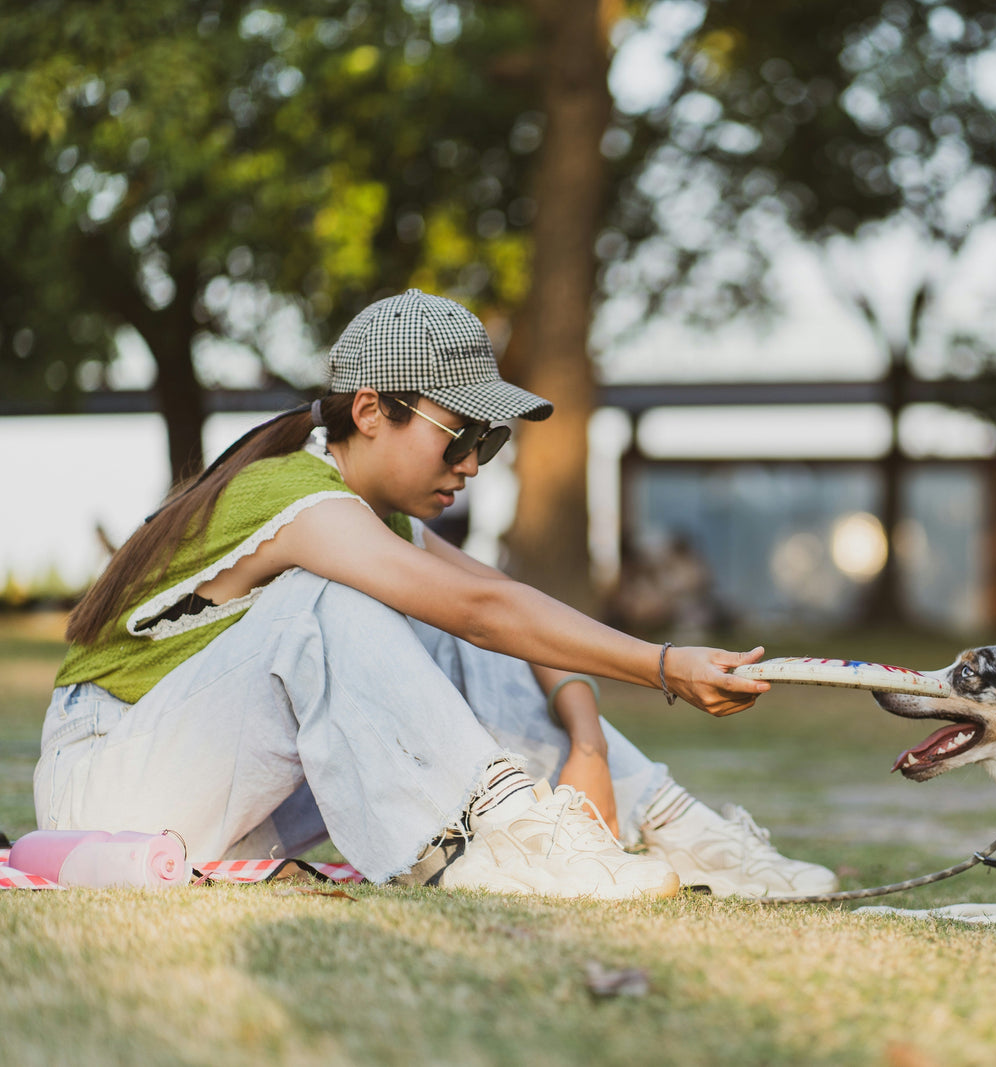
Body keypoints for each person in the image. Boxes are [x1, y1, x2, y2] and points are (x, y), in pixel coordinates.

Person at [36, 289, 838, 900]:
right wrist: (664, 666)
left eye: (490, 439)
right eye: (461, 434)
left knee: (440, 614)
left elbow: (499, 600)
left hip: (217, 784)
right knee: (335, 603)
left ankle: (670, 823)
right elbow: (483, 614)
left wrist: (588, 741)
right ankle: (506, 837)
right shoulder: (294, 500)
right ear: (370, 411)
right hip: (110, 791)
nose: (475, 462)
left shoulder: (368, 514)